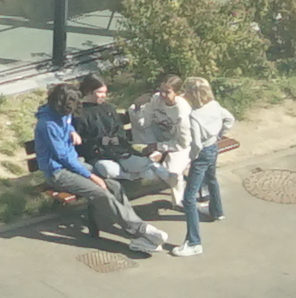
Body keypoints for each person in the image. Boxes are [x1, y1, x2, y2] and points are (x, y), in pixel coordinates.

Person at [27, 81, 148, 251]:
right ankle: (138, 229)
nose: (70, 113)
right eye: (69, 109)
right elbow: (62, 157)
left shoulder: (63, 114)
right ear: (61, 104)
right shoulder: (47, 125)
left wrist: (71, 130)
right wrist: (91, 176)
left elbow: (67, 123)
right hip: (58, 172)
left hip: (75, 163)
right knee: (100, 193)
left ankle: (135, 227)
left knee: (114, 186)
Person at [169, 77, 235, 257]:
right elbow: (229, 119)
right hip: (213, 147)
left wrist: (190, 160)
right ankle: (217, 211)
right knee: (212, 178)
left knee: (189, 198)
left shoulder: (194, 116)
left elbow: (196, 144)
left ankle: (194, 242)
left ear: (192, 95)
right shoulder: (214, 105)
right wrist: (220, 134)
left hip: (202, 153)